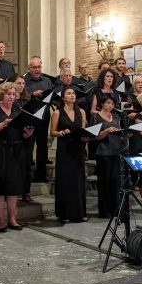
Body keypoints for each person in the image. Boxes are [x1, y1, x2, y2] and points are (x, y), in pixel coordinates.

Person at [0, 82, 34, 232]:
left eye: (13, 94)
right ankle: (0, 219)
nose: (11, 97)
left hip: (16, 151)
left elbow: (24, 132)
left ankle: (12, 218)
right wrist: (2, 124)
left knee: (13, 187)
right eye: (8, 94)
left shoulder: (18, 110)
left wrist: (27, 134)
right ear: (1, 95)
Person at [50, 87, 88, 223]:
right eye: (69, 93)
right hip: (64, 148)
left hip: (78, 147)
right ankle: (64, 212)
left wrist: (86, 137)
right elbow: (52, 132)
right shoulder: (57, 113)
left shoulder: (81, 112)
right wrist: (61, 133)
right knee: (65, 180)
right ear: (63, 97)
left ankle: (79, 212)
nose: (72, 95)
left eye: (73, 93)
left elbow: (83, 130)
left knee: (78, 179)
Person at [90, 94, 124, 218]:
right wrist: (106, 131)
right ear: (102, 104)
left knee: (115, 182)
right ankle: (105, 211)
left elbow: (120, 132)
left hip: (115, 152)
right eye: (108, 103)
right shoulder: (96, 117)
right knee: (104, 183)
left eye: (112, 103)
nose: (110, 105)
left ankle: (115, 209)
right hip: (103, 152)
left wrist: (124, 135)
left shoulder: (116, 116)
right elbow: (94, 137)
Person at [24, 56, 54, 181]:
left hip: (43, 114)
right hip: (29, 115)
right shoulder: (23, 80)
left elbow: (51, 96)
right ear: (29, 68)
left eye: (39, 67)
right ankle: (26, 174)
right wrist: (32, 95)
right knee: (28, 144)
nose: (37, 70)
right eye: (34, 67)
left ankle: (41, 174)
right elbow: (19, 95)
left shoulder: (47, 80)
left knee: (42, 145)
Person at [9, 74, 34, 203]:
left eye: (23, 84)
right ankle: (15, 190)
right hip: (14, 134)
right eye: (18, 83)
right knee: (15, 163)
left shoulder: (28, 99)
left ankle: (26, 191)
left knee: (26, 163)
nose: (21, 86)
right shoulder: (10, 100)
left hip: (28, 134)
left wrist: (30, 130)